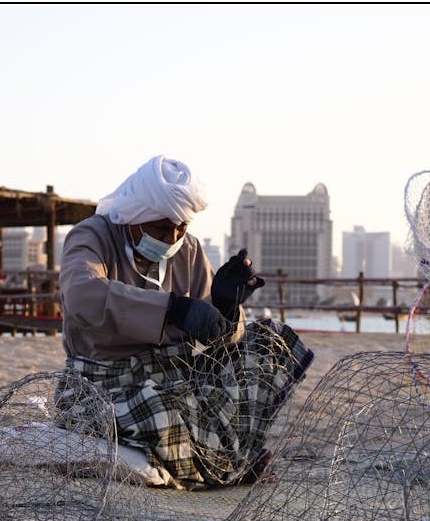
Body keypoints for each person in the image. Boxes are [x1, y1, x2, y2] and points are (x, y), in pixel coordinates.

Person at [59, 155, 314, 489]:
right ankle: (227, 466)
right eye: (161, 228)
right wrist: (172, 309)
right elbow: (82, 295)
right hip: (107, 378)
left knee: (270, 340)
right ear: (136, 215)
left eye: (181, 227)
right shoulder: (92, 236)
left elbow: (218, 340)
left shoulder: (188, 250)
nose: (172, 237)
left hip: (176, 375)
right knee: (160, 414)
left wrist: (225, 306)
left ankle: (225, 457)